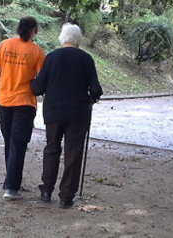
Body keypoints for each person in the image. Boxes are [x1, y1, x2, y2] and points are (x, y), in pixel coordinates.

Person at [30, 23, 103, 209]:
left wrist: (31, 82)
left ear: (62, 38)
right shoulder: (86, 59)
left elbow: (38, 88)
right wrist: (90, 99)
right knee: (73, 153)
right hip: (78, 113)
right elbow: (96, 90)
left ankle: (46, 190)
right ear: (78, 39)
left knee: (52, 149)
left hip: (53, 111)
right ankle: (66, 196)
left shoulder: (51, 57)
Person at [0, 16, 45, 200]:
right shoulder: (37, 52)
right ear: (34, 30)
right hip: (25, 103)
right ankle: (11, 187)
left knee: (9, 143)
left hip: (4, 101)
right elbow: (41, 79)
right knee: (18, 144)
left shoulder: (4, 45)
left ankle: (12, 181)